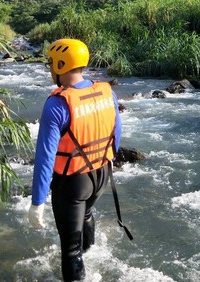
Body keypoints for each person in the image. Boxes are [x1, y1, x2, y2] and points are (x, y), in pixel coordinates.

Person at [28, 38, 123, 281]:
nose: (50, 67)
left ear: (60, 65)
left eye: (51, 63)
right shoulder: (106, 92)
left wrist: (37, 202)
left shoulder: (58, 104)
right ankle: (92, 253)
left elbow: (45, 157)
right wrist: (103, 163)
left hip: (72, 182)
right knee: (87, 213)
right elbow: (116, 136)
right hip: (101, 174)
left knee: (70, 252)